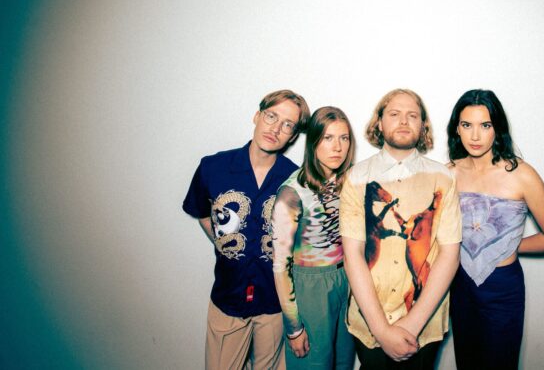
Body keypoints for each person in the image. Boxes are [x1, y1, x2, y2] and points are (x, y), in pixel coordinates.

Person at [182, 89, 311, 370]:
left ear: (293, 136)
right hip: (228, 298)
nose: (275, 129)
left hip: (274, 303)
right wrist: (227, 244)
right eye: (271, 116)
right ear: (257, 116)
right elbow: (201, 212)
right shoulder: (213, 167)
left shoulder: (296, 180)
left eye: (287, 125)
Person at [446, 89, 544, 370]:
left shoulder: (522, 174)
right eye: (467, 125)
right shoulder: (448, 173)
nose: (475, 136)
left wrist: (506, 245)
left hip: (502, 287)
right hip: (459, 284)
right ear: (456, 128)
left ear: (497, 128)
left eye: (485, 125)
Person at [340, 89, 461, 369]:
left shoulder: (443, 178)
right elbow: (352, 255)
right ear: (379, 123)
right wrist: (381, 330)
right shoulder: (356, 177)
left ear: (423, 126)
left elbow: (450, 254)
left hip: (425, 323)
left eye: (412, 116)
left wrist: (411, 325)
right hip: (369, 322)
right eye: (394, 114)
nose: (404, 121)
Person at [271, 107, 357, 370]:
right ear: (313, 142)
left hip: (347, 279)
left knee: (344, 362)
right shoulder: (291, 192)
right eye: (328, 138)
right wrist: (293, 327)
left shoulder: (351, 181)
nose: (337, 147)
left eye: (344, 138)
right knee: (313, 364)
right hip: (310, 286)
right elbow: (280, 266)